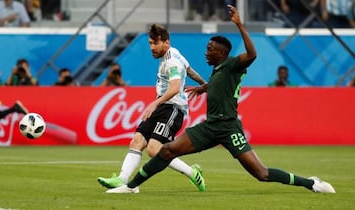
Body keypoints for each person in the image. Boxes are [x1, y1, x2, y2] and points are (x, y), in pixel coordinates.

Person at [106, 5, 336, 194]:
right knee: (166, 151)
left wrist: (239, 24)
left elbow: (253, 55)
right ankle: (130, 186)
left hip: (228, 127)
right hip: (209, 126)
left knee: (261, 174)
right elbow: (219, 86)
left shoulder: (233, 64)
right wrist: (203, 88)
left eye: (210, 49)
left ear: (222, 53)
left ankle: (312, 184)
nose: (206, 52)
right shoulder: (218, 70)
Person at [97, 23, 207, 192]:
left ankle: (192, 173)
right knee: (137, 141)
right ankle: (123, 180)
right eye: (150, 43)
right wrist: (203, 83)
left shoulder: (171, 63)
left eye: (155, 43)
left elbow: (175, 87)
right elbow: (190, 70)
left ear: (166, 43)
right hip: (162, 106)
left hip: (172, 109)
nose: (152, 47)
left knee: (154, 150)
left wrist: (154, 103)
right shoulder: (175, 52)